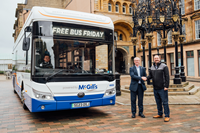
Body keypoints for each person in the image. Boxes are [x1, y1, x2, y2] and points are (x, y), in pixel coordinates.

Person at [146, 55, 170, 122]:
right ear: (153, 59)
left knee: (165, 102)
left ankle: (167, 115)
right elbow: (150, 76)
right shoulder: (152, 67)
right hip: (155, 88)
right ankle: (160, 114)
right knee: (158, 102)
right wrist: (146, 78)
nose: (156, 59)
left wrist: (166, 86)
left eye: (157, 58)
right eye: (155, 58)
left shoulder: (164, 66)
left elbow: (167, 76)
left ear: (160, 59)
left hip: (162, 88)